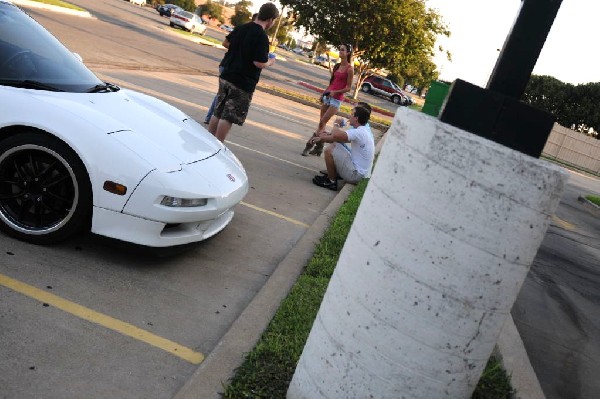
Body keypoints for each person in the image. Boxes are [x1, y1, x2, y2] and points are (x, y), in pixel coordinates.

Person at [207, 4, 279, 142]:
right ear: (270, 19)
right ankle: (217, 144)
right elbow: (258, 63)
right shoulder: (261, 36)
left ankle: (209, 140)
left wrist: (238, 51)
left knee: (218, 110)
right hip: (242, 81)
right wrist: (270, 62)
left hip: (226, 74)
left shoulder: (242, 27)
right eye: (274, 21)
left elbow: (226, 43)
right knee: (228, 116)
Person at [204, 14, 258, 124]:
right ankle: (211, 117)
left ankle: (213, 118)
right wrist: (237, 49)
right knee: (222, 96)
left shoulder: (245, 31)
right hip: (228, 65)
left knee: (222, 95)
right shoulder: (243, 30)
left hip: (230, 66)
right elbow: (225, 42)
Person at [302, 43, 354, 156]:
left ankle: (309, 145)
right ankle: (319, 148)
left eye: (343, 50)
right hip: (328, 96)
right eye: (340, 49)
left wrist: (335, 92)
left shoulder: (350, 69)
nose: (340, 51)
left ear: (348, 53)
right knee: (322, 125)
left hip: (336, 99)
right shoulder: (337, 66)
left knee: (322, 122)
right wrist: (324, 93)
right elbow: (332, 83)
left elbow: (348, 88)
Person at [311, 105, 374, 191]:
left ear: (356, 118)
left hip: (355, 175)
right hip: (359, 173)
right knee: (335, 144)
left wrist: (336, 124)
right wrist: (322, 138)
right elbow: (338, 138)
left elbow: (336, 134)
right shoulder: (362, 130)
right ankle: (333, 175)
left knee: (329, 150)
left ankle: (331, 181)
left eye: (352, 114)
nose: (349, 116)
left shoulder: (359, 132)